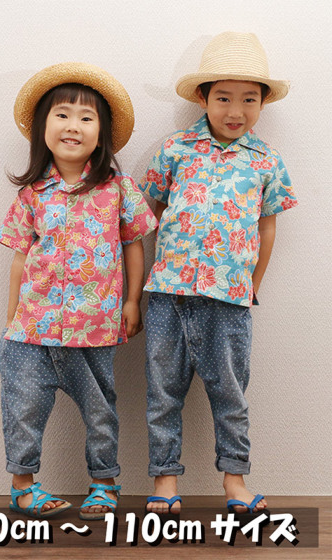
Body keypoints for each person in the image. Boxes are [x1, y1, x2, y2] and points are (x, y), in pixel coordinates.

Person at [140, 32, 297, 518]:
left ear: (262, 103)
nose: (236, 110)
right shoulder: (176, 148)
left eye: (249, 99)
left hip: (229, 299)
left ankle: (235, 480)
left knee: (230, 394)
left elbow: (266, 228)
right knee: (162, 392)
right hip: (168, 295)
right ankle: (165, 480)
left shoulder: (266, 161)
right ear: (203, 98)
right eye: (223, 97)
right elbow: (151, 212)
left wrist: (253, 284)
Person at [0, 62, 157, 520]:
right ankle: (23, 487)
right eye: (62, 115)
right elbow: (20, 259)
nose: (73, 125)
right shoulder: (32, 194)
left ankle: (104, 484)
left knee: (100, 409)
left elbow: (134, 244)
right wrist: (12, 320)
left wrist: (132, 301)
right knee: (23, 408)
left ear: (101, 133)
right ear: (43, 127)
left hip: (94, 328)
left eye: (87, 118)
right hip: (32, 329)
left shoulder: (118, 189)